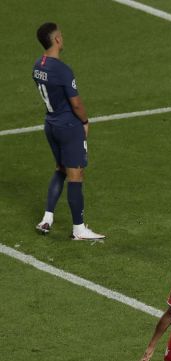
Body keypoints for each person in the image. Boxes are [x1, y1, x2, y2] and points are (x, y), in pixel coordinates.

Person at [32, 22, 104, 240]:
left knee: (60, 168)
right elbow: (77, 104)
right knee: (75, 175)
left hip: (50, 124)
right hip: (68, 126)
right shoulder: (62, 70)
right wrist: (84, 121)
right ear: (56, 40)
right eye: (60, 35)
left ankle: (47, 218)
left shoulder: (38, 65)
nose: (62, 38)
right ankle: (79, 229)